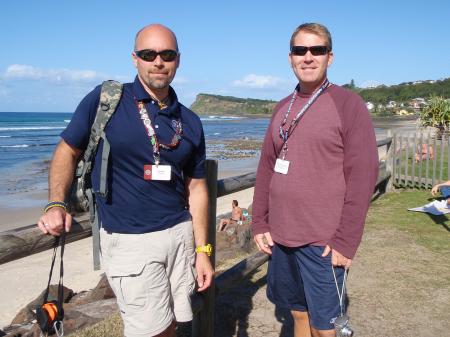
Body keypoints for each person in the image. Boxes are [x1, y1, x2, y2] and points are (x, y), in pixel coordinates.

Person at [37, 24, 213, 337]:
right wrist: (55, 203)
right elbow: (67, 151)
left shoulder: (190, 120)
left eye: (167, 54)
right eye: (149, 54)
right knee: (150, 331)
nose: (158, 61)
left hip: (180, 237)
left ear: (178, 60)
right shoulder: (107, 100)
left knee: (176, 323)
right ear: (135, 59)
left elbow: (197, 188)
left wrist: (203, 251)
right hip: (131, 242)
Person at [251, 23, 379, 337]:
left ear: (329, 57)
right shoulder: (282, 107)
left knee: (326, 328)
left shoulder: (349, 105)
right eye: (300, 50)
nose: (308, 57)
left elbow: (363, 176)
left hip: (323, 242)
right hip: (282, 238)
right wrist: (259, 222)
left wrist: (346, 241)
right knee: (298, 315)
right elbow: (267, 167)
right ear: (290, 57)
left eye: (317, 50)